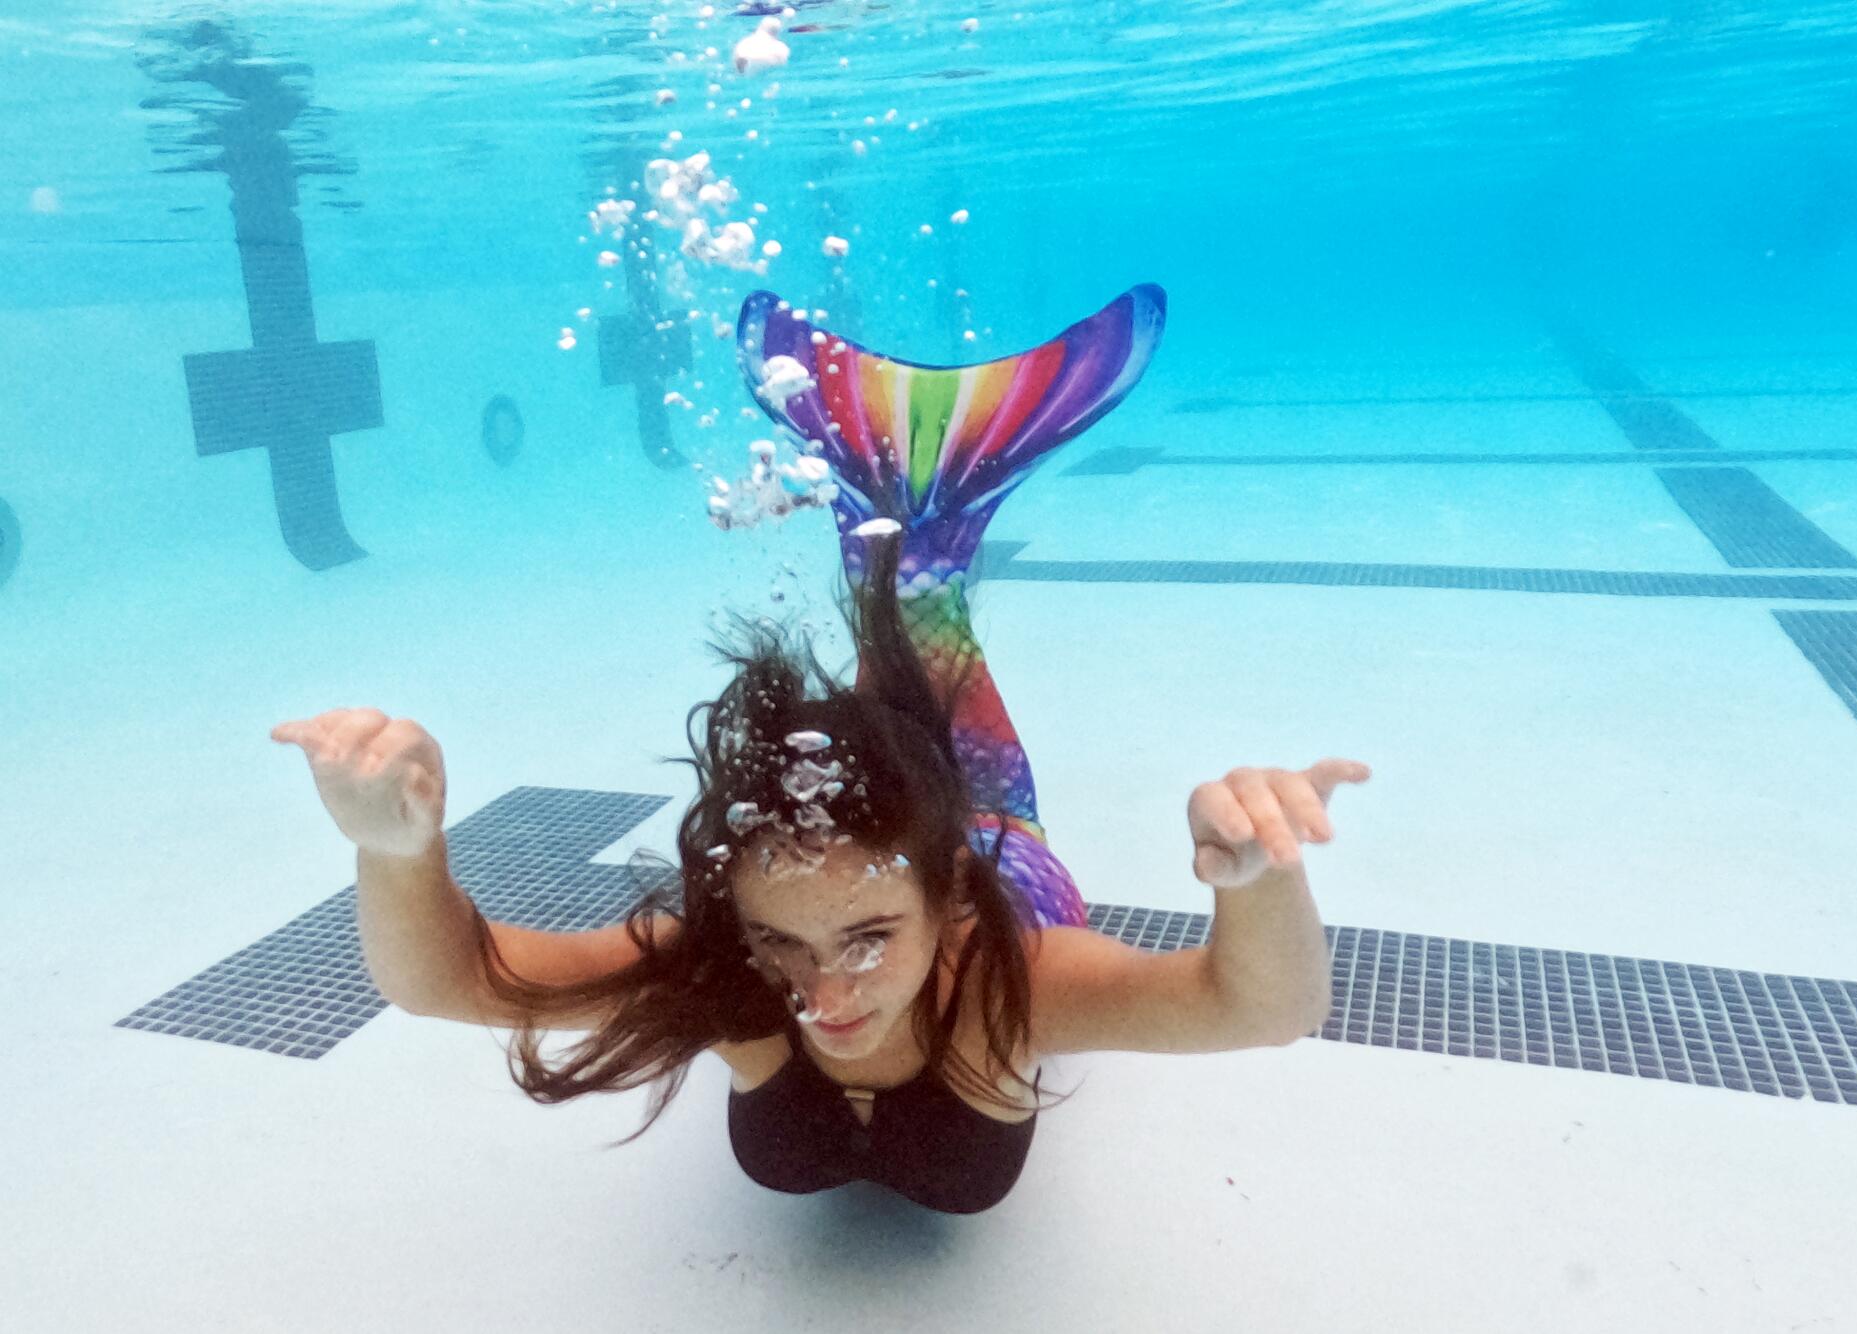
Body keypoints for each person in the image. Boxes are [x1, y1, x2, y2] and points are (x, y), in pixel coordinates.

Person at [271, 285, 1369, 1214]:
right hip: (912, 846)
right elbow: (451, 980)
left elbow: (1256, 1007)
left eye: (869, 934)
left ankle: (889, 518)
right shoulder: (732, 976)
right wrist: (397, 852)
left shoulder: (1005, 979)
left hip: (1010, 861)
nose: (823, 986)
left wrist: (1263, 880)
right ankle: (911, 519)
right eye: (777, 938)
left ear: (942, 903)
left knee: (931, 715)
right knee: (884, 713)